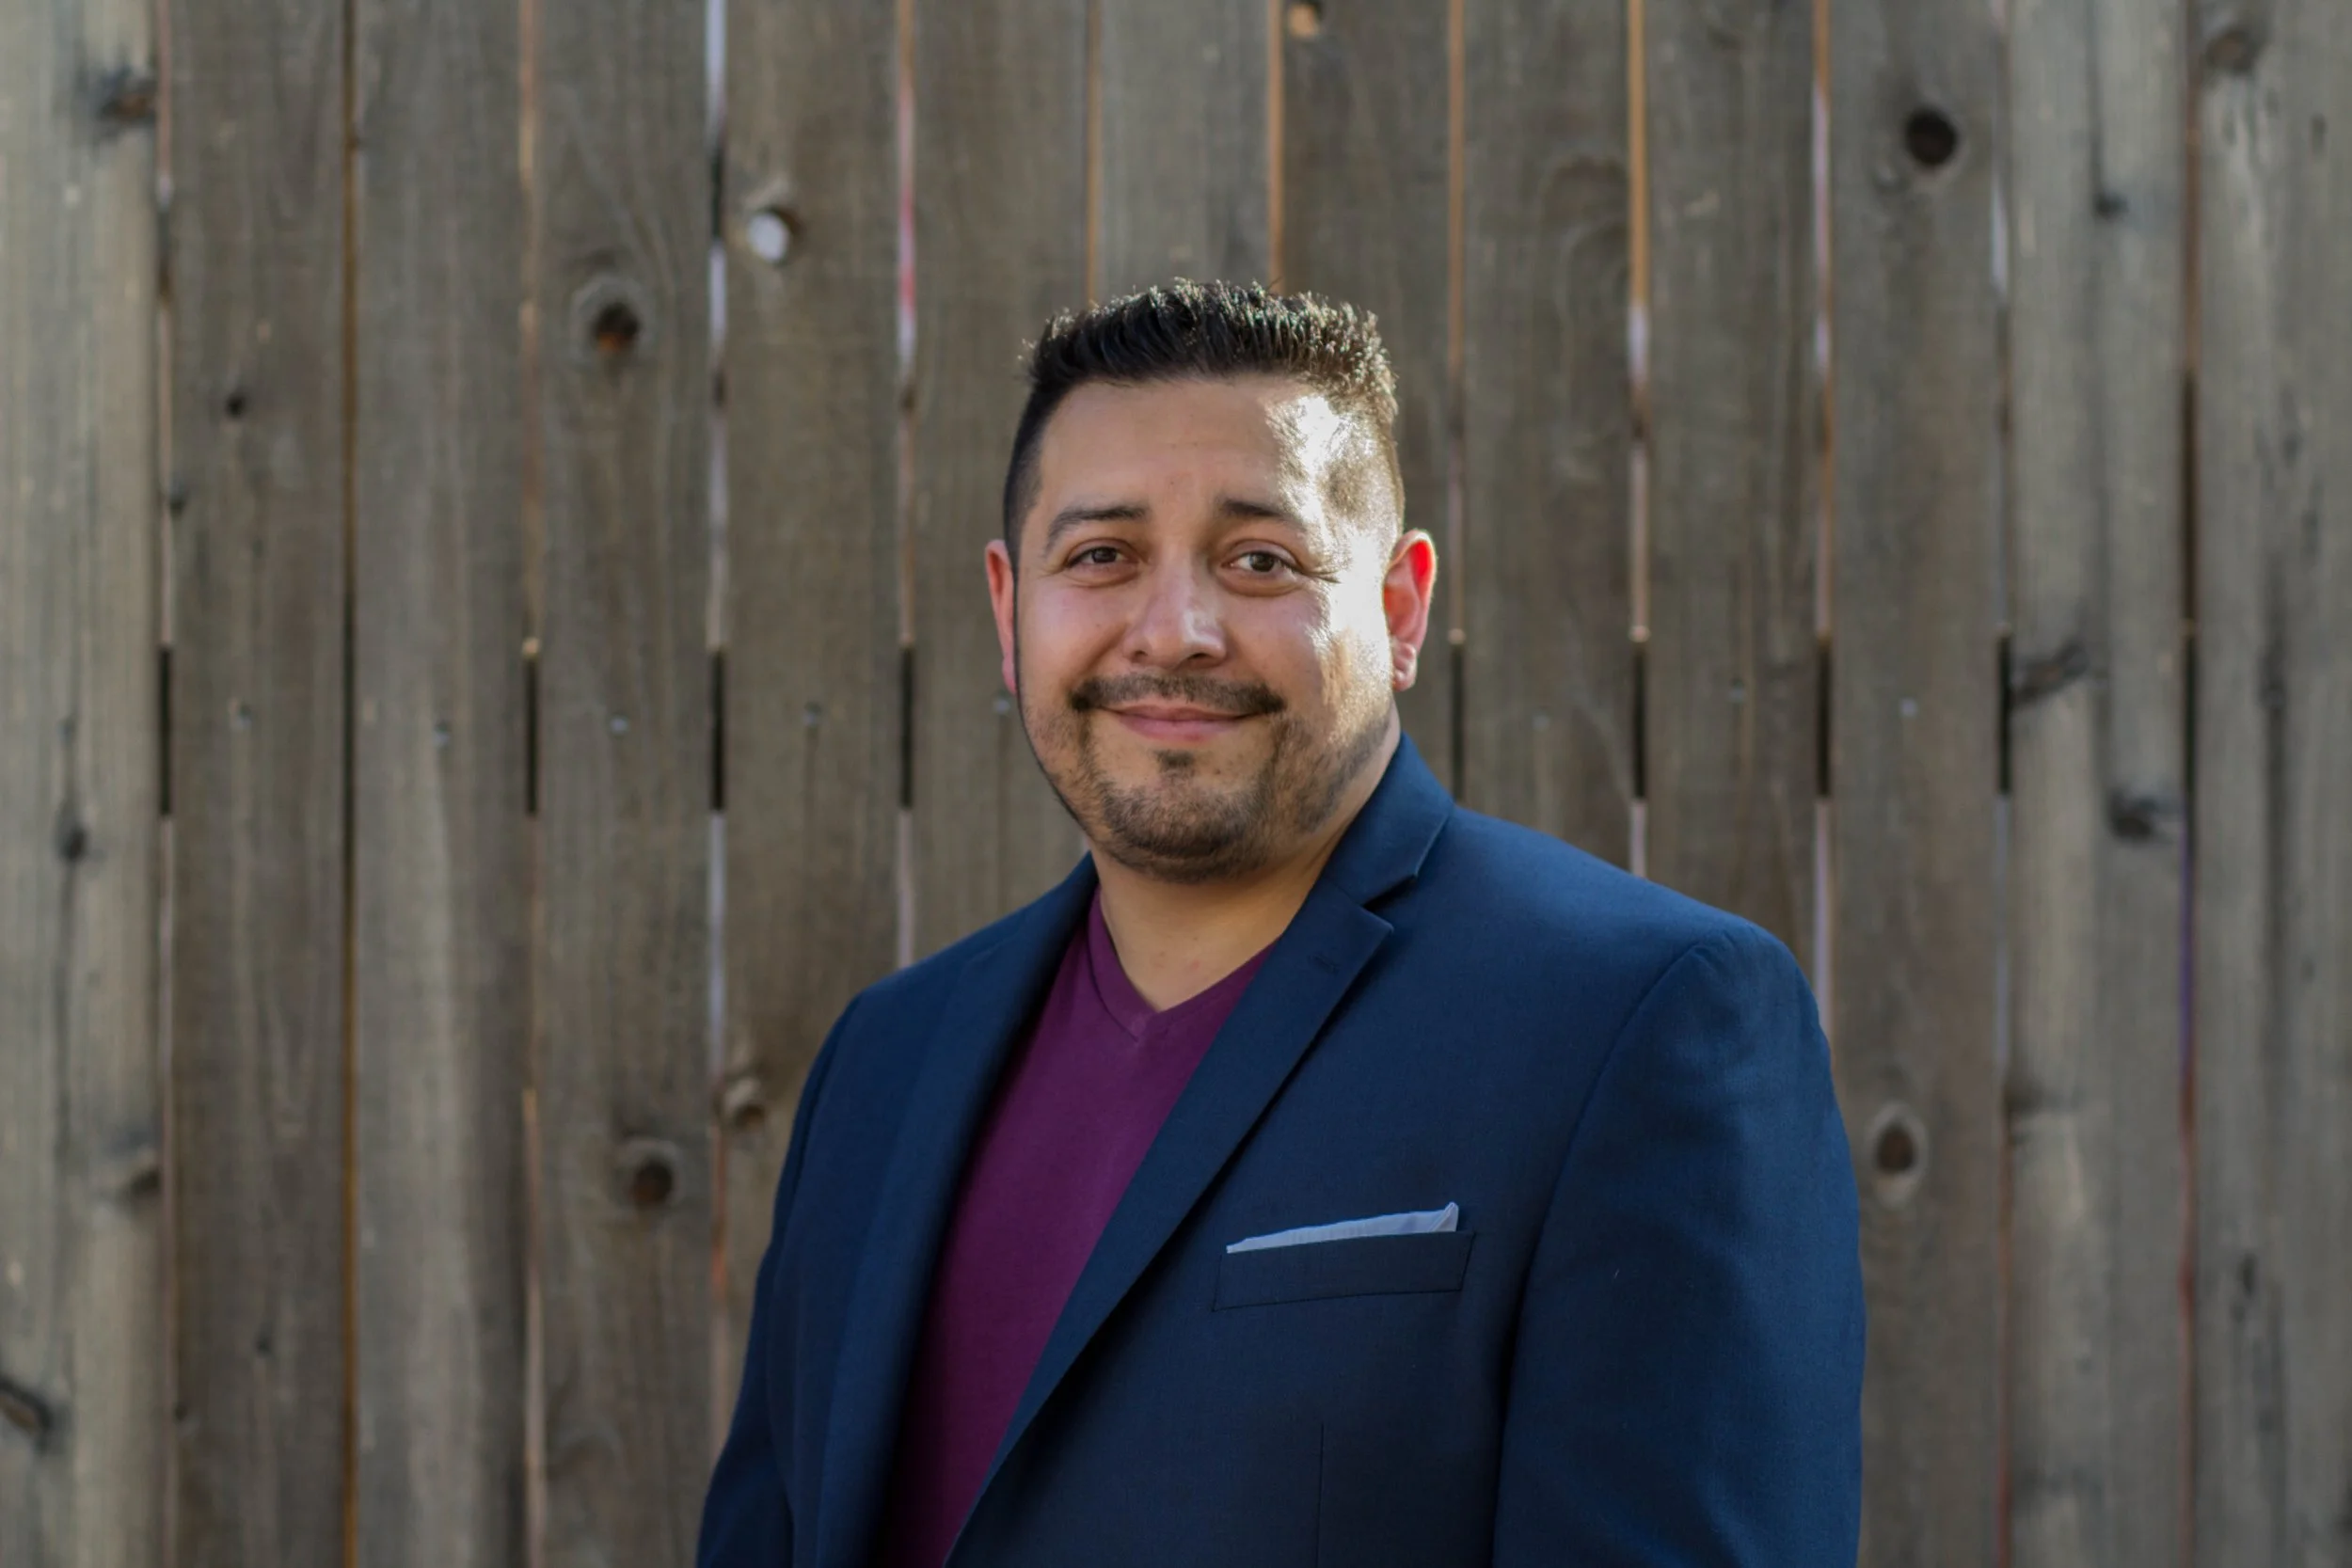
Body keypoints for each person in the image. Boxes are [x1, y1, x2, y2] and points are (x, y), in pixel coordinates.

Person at [696, 279, 1864, 1567]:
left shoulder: (1642, 1021)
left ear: (1402, 608)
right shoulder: (884, 1061)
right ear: (1007, 610)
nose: (1177, 630)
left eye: (1262, 559)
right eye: (1101, 557)